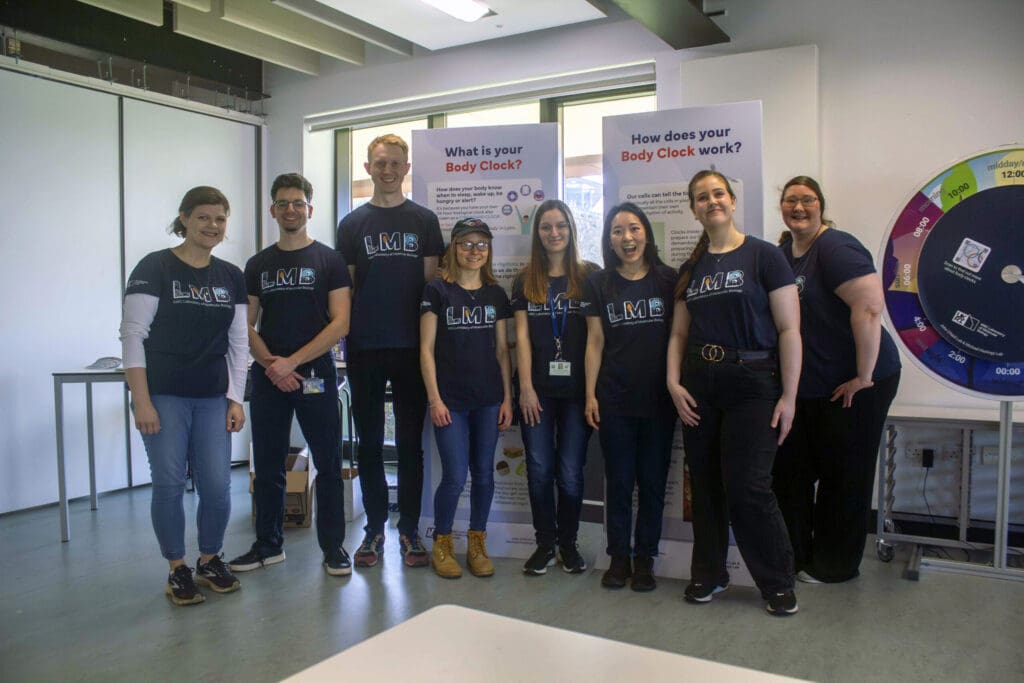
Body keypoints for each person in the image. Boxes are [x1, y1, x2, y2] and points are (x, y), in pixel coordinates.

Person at [666, 170, 801, 616]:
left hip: (754, 386)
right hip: (701, 386)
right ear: (694, 208)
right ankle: (709, 573)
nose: (711, 202)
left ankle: (777, 581)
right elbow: (678, 336)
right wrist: (673, 383)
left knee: (748, 487)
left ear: (732, 200)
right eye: (702, 197)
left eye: (718, 194)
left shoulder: (764, 256)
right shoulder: (693, 268)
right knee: (704, 486)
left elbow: (789, 330)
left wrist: (789, 396)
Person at [121, 186, 247, 605]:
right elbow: (133, 336)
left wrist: (235, 398)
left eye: (220, 219)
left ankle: (210, 558)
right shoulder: (155, 267)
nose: (212, 226)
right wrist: (142, 401)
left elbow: (238, 343)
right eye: (203, 217)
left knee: (216, 485)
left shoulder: (230, 275)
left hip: (212, 396)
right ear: (184, 220)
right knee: (170, 483)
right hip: (164, 395)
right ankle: (177, 568)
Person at [772, 176, 901, 584]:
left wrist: (863, 377)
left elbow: (869, 308)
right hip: (812, 385)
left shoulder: (835, 247)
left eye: (807, 200)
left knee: (844, 474)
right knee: (791, 472)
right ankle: (795, 554)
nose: (798, 207)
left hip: (857, 381)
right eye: (790, 200)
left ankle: (835, 564)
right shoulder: (785, 253)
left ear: (820, 205)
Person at [228, 173, 353, 577]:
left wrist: (292, 362)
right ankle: (268, 545)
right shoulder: (258, 265)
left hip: (315, 375)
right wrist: (271, 364)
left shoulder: (329, 261)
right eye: (282, 203)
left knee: (329, 462)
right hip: (268, 377)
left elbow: (340, 324)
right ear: (273, 211)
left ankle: (333, 548)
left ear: (309, 209)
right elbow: (244, 325)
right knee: (266, 464)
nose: (290, 209)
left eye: (298, 203)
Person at [337, 134, 444, 569]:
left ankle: (410, 530)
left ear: (406, 168)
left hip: (411, 349)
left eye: (395, 163)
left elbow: (430, 290)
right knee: (366, 444)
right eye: (380, 163)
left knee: (409, 444)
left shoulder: (424, 220)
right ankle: (375, 530)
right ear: (368, 167)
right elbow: (347, 289)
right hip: (364, 347)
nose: (387, 169)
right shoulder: (351, 224)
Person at [582, 202, 677, 592]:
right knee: (619, 483)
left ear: (646, 235)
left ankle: (645, 560)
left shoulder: (668, 280)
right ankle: (618, 557)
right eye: (618, 231)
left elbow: (679, 337)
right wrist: (590, 394)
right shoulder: (599, 283)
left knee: (653, 484)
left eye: (634, 229)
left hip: (659, 401)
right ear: (610, 240)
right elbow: (595, 341)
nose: (627, 237)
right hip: (615, 399)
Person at [420, 218, 513, 579]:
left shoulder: (496, 294)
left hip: (489, 399)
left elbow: (503, 352)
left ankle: (477, 543)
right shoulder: (437, 291)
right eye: (466, 244)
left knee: (485, 475)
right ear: (454, 248)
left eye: (481, 245)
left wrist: (507, 398)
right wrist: (435, 400)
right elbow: (426, 351)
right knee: (456, 476)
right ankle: (442, 543)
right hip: (451, 402)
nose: (474, 251)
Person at [512, 200, 598, 575]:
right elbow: (522, 339)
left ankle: (569, 544)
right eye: (546, 227)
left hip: (579, 392)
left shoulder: (589, 276)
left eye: (561, 225)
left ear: (571, 229)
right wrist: (526, 388)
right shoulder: (525, 280)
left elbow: (597, 340)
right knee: (539, 469)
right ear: (538, 234)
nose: (554, 233)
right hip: (538, 393)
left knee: (570, 472)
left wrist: (594, 393)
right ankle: (545, 544)